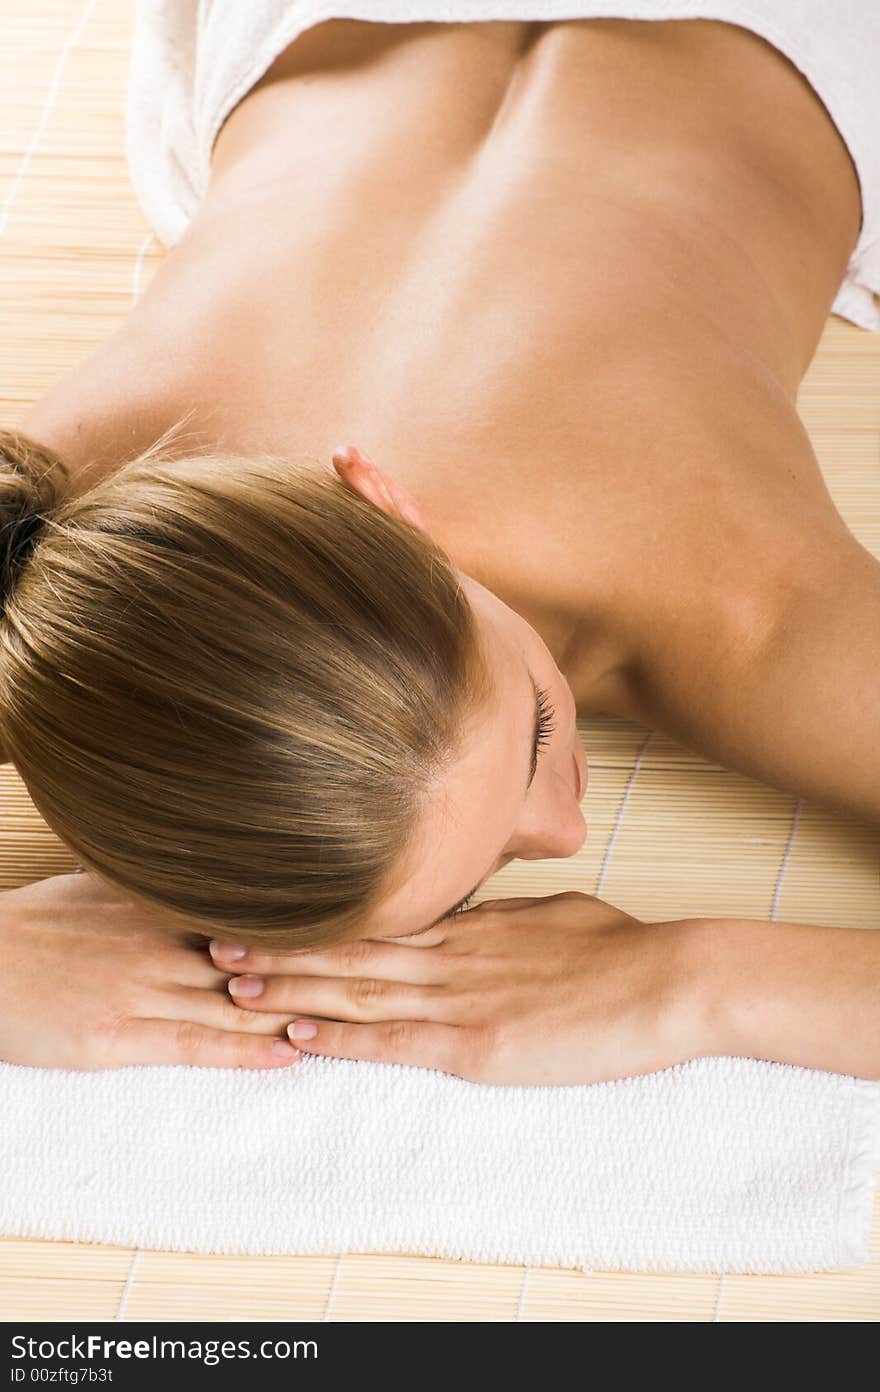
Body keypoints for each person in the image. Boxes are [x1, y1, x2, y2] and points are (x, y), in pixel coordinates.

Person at [1, 15, 878, 1082]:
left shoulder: (746, 609)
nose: (563, 834)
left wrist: (693, 978)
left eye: (538, 725)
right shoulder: (59, 581)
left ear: (384, 503)